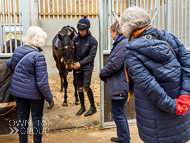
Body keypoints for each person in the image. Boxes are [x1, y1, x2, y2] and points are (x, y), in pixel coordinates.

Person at [120, 6, 190, 143]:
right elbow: (188, 66)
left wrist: (173, 106)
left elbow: (149, 86)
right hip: (181, 117)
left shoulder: (131, 50)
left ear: (128, 27)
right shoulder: (169, 37)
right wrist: (185, 96)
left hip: (156, 125)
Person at [7, 26, 54, 143]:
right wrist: (50, 98)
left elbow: (9, 64)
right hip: (35, 96)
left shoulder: (18, 50)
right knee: (37, 120)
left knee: (22, 119)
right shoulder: (38, 56)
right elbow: (42, 83)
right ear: (39, 40)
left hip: (18, 93)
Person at [100, 21, 130, 143]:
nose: (111, 35)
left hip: (120, 84)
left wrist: (102, 72)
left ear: (115, 31)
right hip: (120, 83)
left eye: (111, 32)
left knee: (117, 112)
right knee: (119, 112)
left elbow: (113, 64)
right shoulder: (121, 42)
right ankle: (123, 137)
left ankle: (124, 140)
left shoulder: (122, 43)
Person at [73, 15, 98, 117]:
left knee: (86, 86)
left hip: (87, 66)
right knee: (79, 86)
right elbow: (72, 51)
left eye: (83, 30)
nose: (81, 32)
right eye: (79, 30)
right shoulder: (75, 39)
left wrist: (80, 63)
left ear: (87, 29)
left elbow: (91, 56)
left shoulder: (93, 41)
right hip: (77, 66)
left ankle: (93, 107)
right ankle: (82, 107)